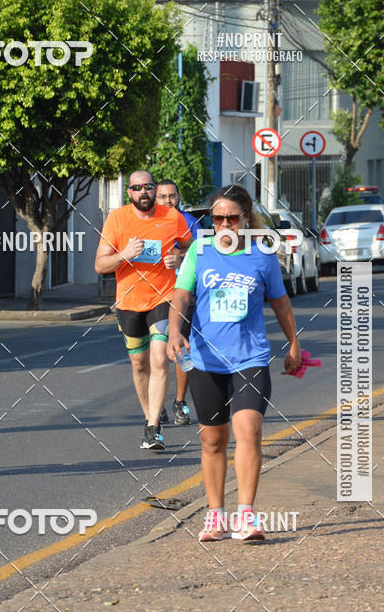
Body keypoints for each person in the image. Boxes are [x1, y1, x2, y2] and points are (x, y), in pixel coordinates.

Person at [167, 185, 301, 543]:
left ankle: (246, 514)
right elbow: (181, 294)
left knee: (249, 431)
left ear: (246, 219)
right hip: (205, 360)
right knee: (213, 441)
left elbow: (280, 303)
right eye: (217, 219)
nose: (224, 225)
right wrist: (174, 332)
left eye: (232, 218)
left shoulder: (262, 255)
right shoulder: (199, 252)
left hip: (250, 358)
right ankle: (216, 516)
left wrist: (293, 344)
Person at [95, 170, 192, 450]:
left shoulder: (172, 216)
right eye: (137, 188)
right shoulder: (117, 218)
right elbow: (100, 265)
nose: (143, 192)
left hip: (163, 298)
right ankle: (151, 413)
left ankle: (152, 429)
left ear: (154, 189)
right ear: (129, 192)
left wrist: (179, 257)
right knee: (139, 364)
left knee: (159, 359)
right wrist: (124, 254)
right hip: (129, 302)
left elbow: (192, 247)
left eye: (148, 186)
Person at [155, 178, 200, 426]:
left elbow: (199, 250)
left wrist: (180, 257)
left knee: (182, 349)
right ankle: (157, 403)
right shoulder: (147, 222)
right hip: (153, 296)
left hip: (182, 296)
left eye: (172, 196)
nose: (168, 201)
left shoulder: (189, 221)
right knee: (156, 352)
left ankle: (180, 402)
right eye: (163, 196)